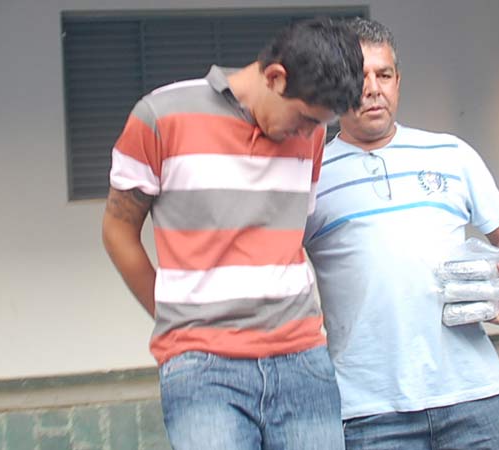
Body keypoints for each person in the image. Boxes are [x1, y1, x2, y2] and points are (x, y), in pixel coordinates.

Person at [102, 18, 364, 450]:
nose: (308, 134)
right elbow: (117, 230)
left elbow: (288, 234)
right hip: (203, 367)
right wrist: (173, 319)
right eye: (303, 119)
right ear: (275, 77)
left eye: (320, 125)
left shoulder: (313, 135)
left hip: (302, 358)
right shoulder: (161, 116)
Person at [304, 18, 499, 449]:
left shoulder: (451, 153)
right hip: (369, 411)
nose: (372, 88)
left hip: (475, 393)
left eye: (384, 75)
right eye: (357, 76)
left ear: (398, 81)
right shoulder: (311, 176)